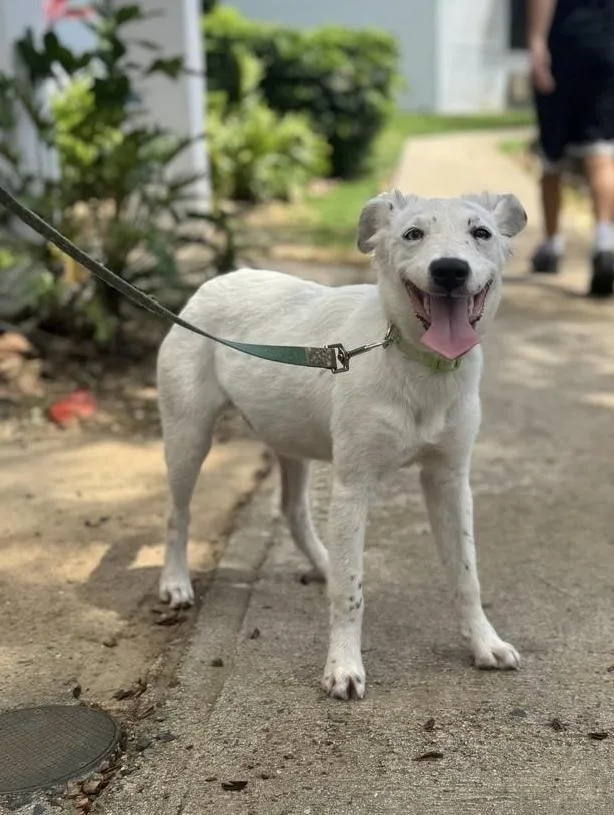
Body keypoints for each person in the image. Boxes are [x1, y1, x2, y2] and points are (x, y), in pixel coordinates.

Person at [529, 0, 614, 295]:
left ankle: (552, 247)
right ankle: (605, 242)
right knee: (601, 152)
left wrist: (536, 42)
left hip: (565, 44)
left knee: (552, 156)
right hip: (605, 44)